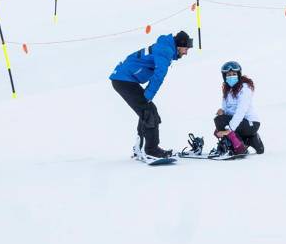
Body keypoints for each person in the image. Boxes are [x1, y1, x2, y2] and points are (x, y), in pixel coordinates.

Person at [110, 30, 194, 159]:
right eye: (186, 49)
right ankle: (151, 150)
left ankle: (140, 148)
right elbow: (159, 76)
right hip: (123, 79)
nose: (186, 53)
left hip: (124, 79)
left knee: (147, 110)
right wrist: (148, 96)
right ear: (179, 45)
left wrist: (147, 97)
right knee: (148, 111)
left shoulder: (164, 47)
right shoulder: (165, 51)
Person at [212, 61, 264, 156]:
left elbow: (241, 111)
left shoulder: (245, 89)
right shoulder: (227, 90)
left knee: (221, 121)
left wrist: (229, 130)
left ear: (238, 74)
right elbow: (227, 111)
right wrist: (222, 111)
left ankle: (240, 148)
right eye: (228, 75)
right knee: (219, 119)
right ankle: (250, 139)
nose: (231, 77)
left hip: (251, 123)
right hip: (240, 123)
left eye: (234, 74)